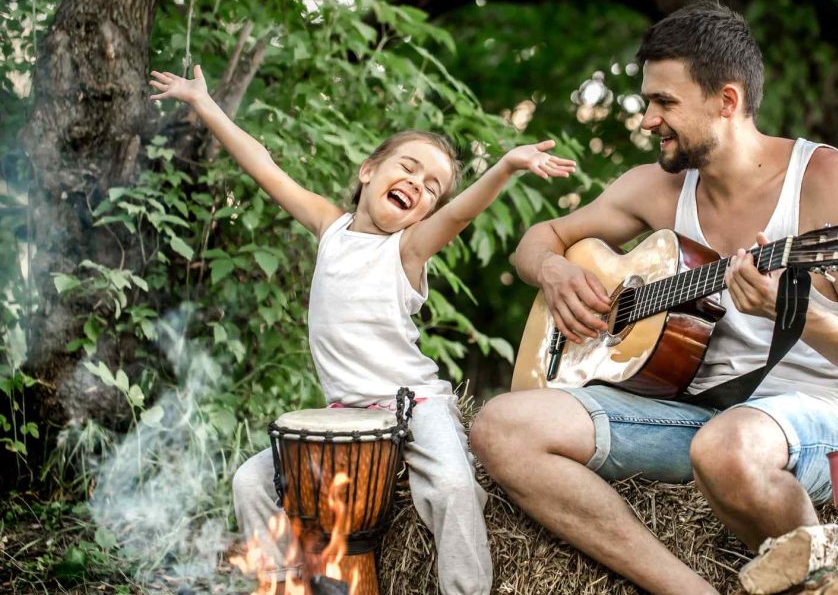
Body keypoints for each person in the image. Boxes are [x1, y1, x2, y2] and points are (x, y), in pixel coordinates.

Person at [469, 1, 838, 594]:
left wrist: (793, 316)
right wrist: (553, 271)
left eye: (664, 103)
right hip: (701, 414)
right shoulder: (657, 188)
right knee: (500, 426)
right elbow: (537, 240)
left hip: (823, 415)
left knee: (727, 449)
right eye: (647, 100)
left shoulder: (822, 182)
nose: (647, 119)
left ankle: (828, 584)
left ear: (726, 101)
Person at [148, 65, 576, 594]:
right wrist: (204, 103)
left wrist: (507, 167)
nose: (418, 185)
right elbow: (263, 164)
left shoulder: (408, 249)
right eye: (409, 168)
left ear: (427, 212)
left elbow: (462, 215)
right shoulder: (330, 228)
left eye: (431, 187)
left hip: (414, 405)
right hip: (345, 418)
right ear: (369, 169)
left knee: (449, 486)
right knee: (249, 482)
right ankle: (287, 585)